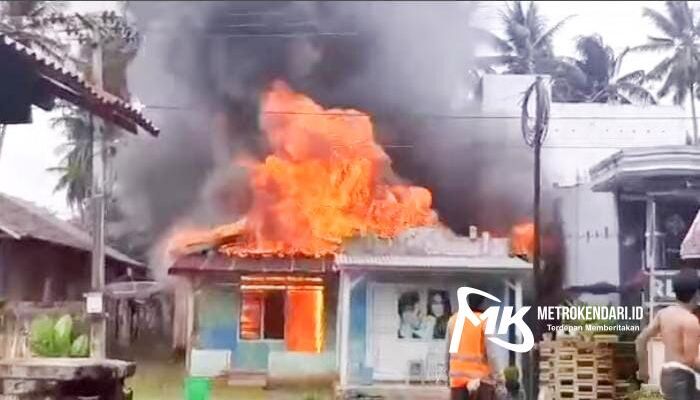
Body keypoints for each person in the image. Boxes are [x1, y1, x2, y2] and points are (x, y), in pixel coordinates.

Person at [636, 268, 700, 399]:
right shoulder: (691, 321)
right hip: (682, 378)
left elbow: (641, 339)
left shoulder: (663, 314)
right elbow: (690, 360)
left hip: (666, 376)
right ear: (696, 294)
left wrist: (643, 369)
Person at [445, 292, 499, 400]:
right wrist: (498, 378)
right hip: (481, 382)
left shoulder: (453, 320)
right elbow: (492, 354)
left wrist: (448, 374)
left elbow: (447, 352)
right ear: (482, 304)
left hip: (457, 380)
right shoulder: (485, 321)